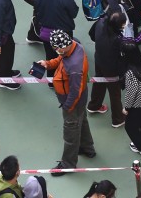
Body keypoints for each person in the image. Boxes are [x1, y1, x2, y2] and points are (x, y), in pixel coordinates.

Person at [34, 29, 94, 174]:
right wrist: (47, 64)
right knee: (82, 120)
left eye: (57, 49)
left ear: (62, 47)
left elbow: (75, 91)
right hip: (78, 100)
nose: (56, 52)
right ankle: (87, 148)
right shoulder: (73, 46)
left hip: (72, 101)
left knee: (70, 131)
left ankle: (68, 164)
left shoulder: (74, 67)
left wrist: (68, 106)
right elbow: (61, 60)